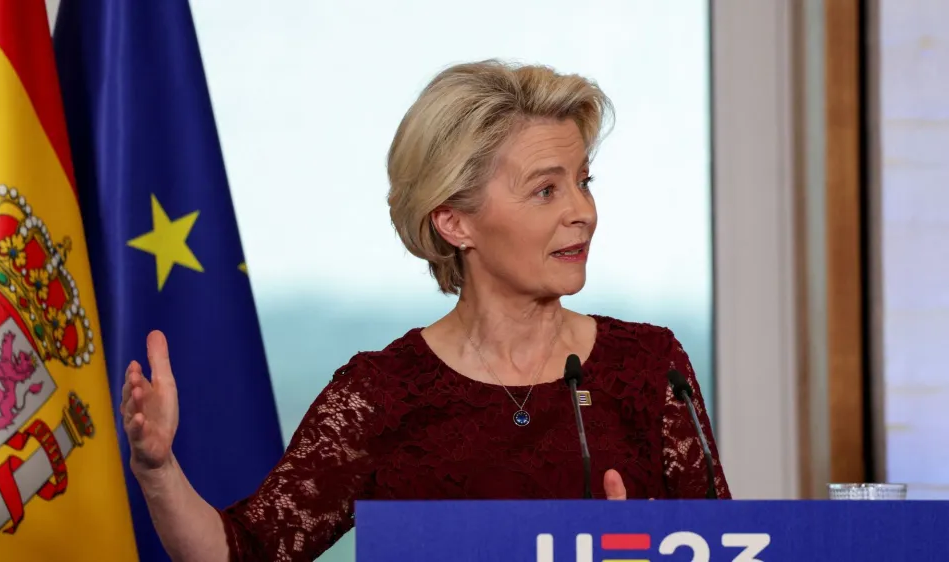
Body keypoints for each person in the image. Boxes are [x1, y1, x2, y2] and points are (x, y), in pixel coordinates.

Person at [119, 59, 731, 562]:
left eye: (583, 181)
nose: (583, 212)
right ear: (454, 221)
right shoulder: (381, 393)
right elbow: (241, 554)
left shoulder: (653, 368)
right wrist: (157, 468)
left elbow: (734, 547)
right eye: (547, 189)